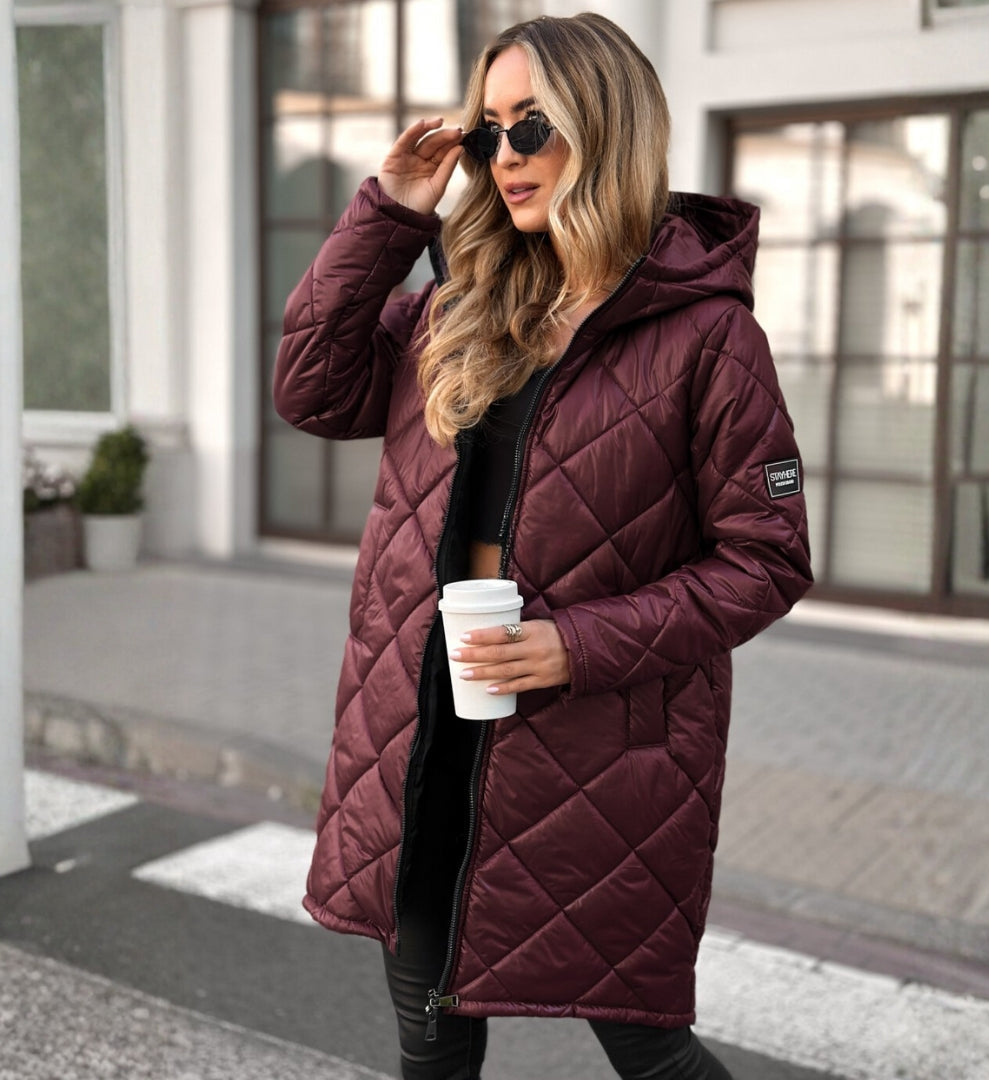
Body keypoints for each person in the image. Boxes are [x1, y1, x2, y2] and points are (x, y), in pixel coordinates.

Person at [273, 12, 812, 1080]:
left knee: (646, 1047)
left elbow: (768, 558)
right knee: (429, 1034)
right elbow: (311, 389)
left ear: (604, 128)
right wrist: (389, 214)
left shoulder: (709, 336)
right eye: (488, 133)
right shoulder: (459, 306)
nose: (505, 157)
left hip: (596, 751)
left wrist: (578, 644)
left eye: (532, 127)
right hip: (422, 724)